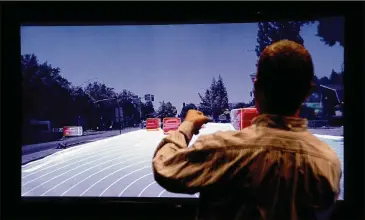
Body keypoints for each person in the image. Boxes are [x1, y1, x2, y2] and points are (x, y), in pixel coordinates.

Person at [152, 40, 342, 220]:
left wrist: (188, 125)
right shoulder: (328, 162)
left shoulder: (221, 149)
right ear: (308, 91)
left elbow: (164, 167)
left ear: (256, 86)